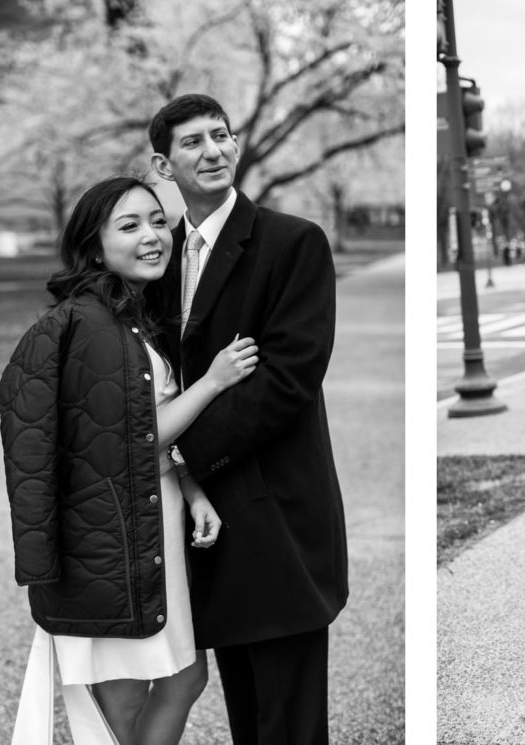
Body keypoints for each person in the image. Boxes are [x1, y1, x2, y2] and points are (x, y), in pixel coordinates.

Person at [0, 176, 260, 744]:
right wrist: (214, 381)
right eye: (130, 225)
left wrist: (191, 491)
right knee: (129, 694)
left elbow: (141, 433)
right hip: (111, 536)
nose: (152, 237)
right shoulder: (92, 328)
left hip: (149, 520)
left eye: (156, 222)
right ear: (94, 247)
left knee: (183, 677)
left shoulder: (128, 318)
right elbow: (132, 439)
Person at [144, 93, 349, 745]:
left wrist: (180, 450)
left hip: (276, 512)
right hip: (206, 521)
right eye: (194, 142)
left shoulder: (293, 243)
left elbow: (288, 380)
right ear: (162, 164)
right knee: (246, 714)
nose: (214, 150)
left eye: (221, 135)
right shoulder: (158, 259)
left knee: (288, 723)